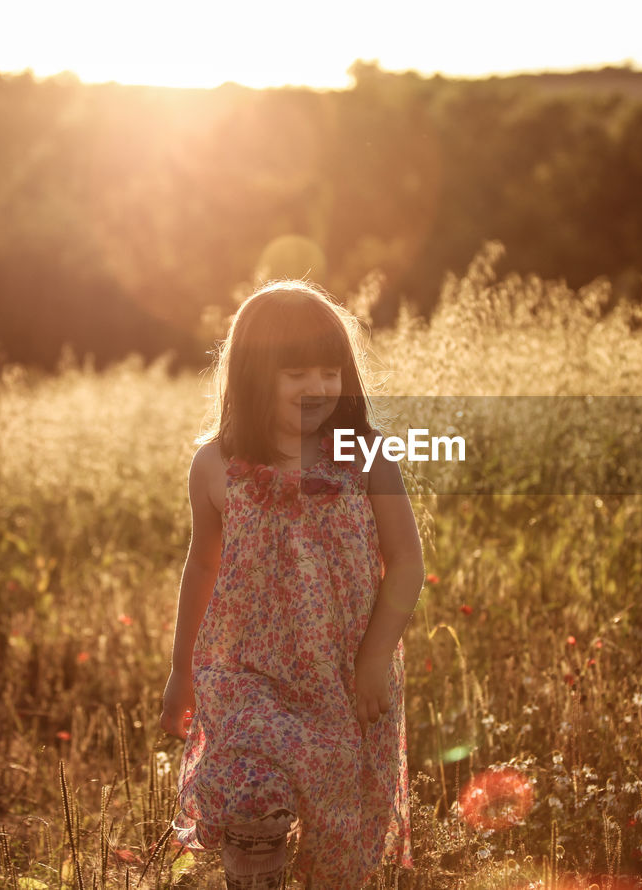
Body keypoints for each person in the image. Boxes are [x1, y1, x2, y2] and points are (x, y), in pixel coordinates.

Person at [159, 281, 423, 890]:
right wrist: (182, 671)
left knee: (339, 841)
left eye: (330, 370)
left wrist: (375, 656)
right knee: (252, 798)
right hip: (249, 671)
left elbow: (406, 561)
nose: (318, 387)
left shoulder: (365, 457)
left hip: (346, 673)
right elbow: (202, 567)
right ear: (253, 375)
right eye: (296, 372)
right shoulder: (215, 466)